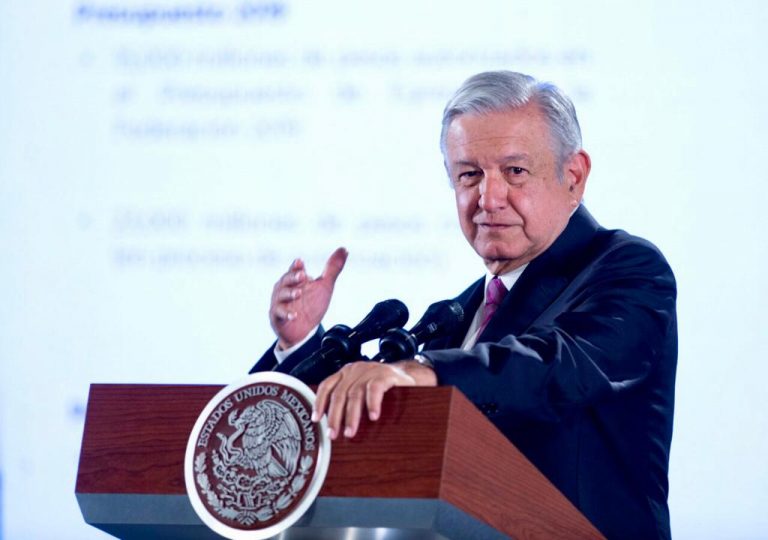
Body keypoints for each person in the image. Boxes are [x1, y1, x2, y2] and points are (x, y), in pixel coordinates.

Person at [249, 70, 677, 539]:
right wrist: (300, 347)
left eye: (515, 172)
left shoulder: (629, 270)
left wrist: (425, 371)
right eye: (469, 175)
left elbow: (558, 367)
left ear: (573, 176)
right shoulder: (455, 316)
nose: (488, 199)